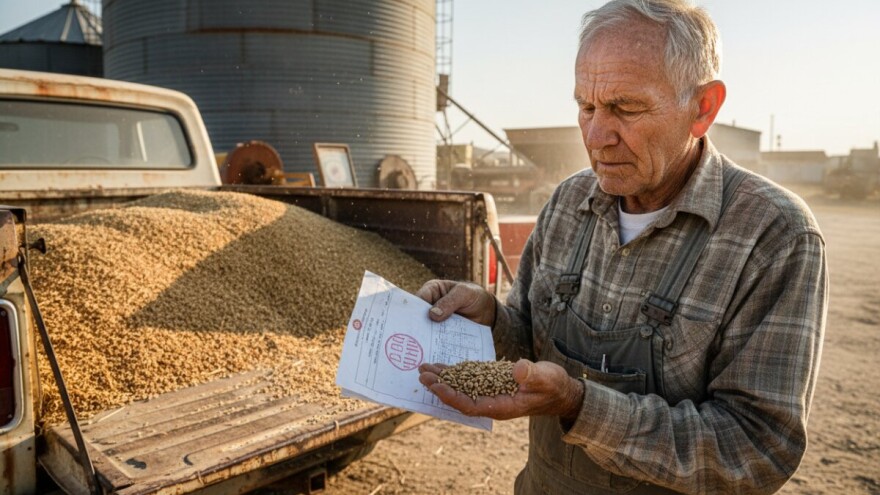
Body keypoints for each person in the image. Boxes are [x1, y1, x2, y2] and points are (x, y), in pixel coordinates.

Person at [416, 0, 828, 493]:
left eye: (625, 108)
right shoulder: (569, 202)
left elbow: (757, 449)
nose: (596, 136)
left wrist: (578, 404)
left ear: (703, 108)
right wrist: (489, 319)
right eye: (586, 107)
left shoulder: (773, 235)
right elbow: (528, 343)